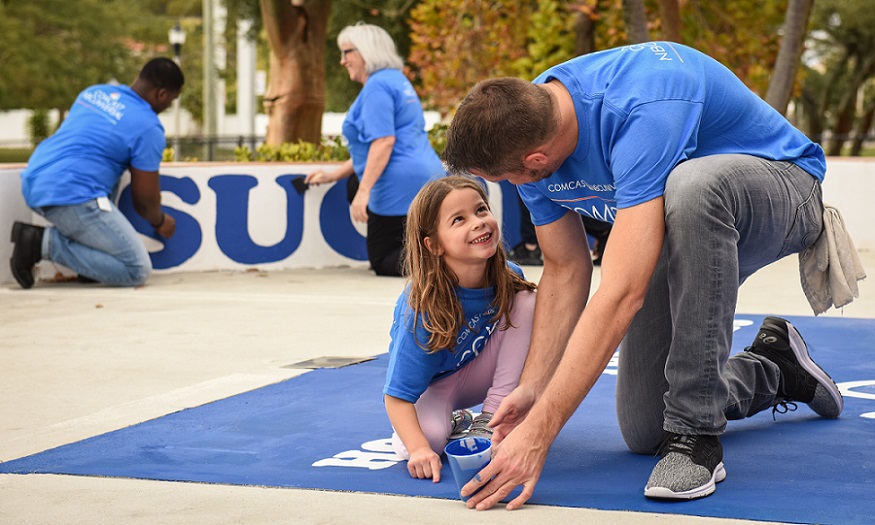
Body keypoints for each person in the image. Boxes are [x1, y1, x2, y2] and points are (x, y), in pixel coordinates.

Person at [441, 41, 844, 508]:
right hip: (679, 226)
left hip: (784, 189)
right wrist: (534, 387)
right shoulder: (528, 120)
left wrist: (539, 434)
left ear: (535, 159)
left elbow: (621, 292)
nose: (511, 186)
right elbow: (566, 268)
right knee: (645, 426)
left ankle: (696, 436)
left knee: (693, 185)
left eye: (509, 178)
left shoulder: (643, 106)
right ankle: (776, 370)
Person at [383, 175, 537, 482]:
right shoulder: (422, 308)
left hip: (482, 371)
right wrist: (418, 450)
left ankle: (493, 416)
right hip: (437, 385)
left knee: (528, 298)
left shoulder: (509, 276)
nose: (478, 222)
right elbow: (397, 396)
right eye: (459, 219)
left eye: (481, 210)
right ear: (434, 245)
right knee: (432, 439)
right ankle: (451, 420)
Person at [11, 57, 183, 289]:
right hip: (70, 195)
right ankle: (41, 243)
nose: (167, 107)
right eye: (171, 101)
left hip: (35, 177)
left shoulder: (95, 93)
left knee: (110, 163)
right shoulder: (148, 127)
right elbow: (144, 201)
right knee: (136, 269)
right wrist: (160, 221)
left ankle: (88, 265)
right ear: (161, 94)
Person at [305, 23, 445, 277]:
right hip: (426, 176)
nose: (342, 60)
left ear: (366, 52)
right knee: (354, 186)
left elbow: (383, 142)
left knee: (383, 260)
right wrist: (334, 175)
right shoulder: (397, 79)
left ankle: (448, 261)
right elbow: (372, 146)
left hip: (397, 185)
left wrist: (363, 192)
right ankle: (445, 255)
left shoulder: (376, 87)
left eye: (347, 52)